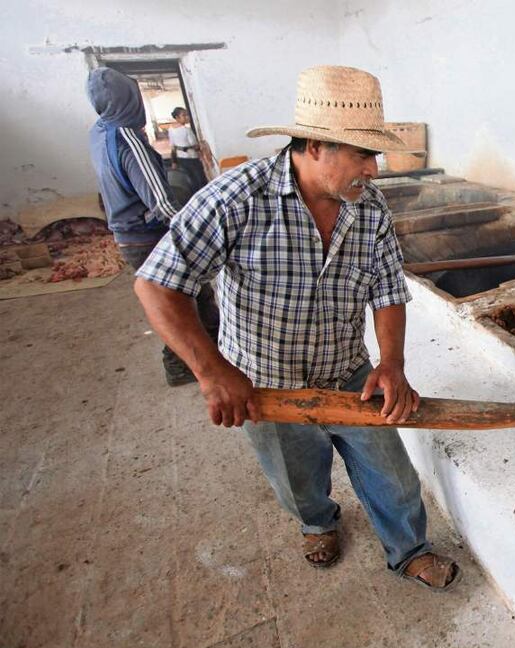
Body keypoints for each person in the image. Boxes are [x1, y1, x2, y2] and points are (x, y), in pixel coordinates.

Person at [131, 65, 461, 589]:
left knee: (393, 476)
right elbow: (157, 284)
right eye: (361, 154)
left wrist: (391, 363)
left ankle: (409, 549)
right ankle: (317, 524)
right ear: (312, 146)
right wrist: (213, 373)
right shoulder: (236, 198)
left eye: (373, 155)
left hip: (348, 372)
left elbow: (387, 289)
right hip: (263, 380)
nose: (373, 170)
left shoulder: (369, 208)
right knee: (296, 477)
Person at [85, 67, 218, 387]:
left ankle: (195, 360)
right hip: (148, 235)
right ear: (130, 99)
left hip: (126, 235)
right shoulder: (128, 137)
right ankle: (197, 364)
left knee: (173, 297)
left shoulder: (98, 133)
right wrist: (204, 233)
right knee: (186, 297)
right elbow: (161, 202)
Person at [167, 107, 209, 191]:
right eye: (184, 115)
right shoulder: (187, 130)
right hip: (192, 158)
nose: (187, 117)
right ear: (177, 118)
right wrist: (203, 153)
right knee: (201, 180)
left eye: (187, 115)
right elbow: (195, 145)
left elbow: (172, 147)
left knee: (191, 180)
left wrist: (174, 162)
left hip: (181, 159)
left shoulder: (171, 130)